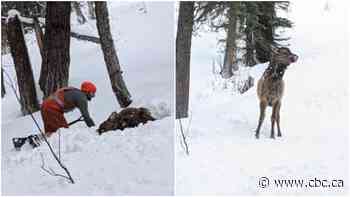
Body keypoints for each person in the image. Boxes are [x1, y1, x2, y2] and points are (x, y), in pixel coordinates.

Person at [13, 81, 97, 150]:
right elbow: (86, 116)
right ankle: (34, 141)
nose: (93, 96)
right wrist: (94, 129)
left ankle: (24, 142)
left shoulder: (74, 91)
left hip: (45, 107)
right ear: (87, 91)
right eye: (92, 93)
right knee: (63, 133)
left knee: (52, 134)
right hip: (52, 109)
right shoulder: (81, 97)